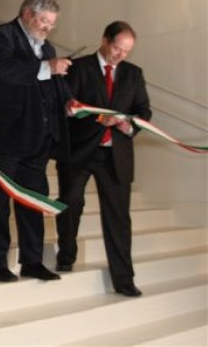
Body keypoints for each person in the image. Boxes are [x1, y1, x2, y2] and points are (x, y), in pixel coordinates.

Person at [0, 0, 72, 283]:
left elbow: (51, 85)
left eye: (52, 23)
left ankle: (32, 261)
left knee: (33, 201)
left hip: (35, 139)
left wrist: (68, 101)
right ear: (27, 13)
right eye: (44, 21)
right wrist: (48, 68)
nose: (48, 28)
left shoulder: (47, 47)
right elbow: (5, 71)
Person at [56, 21, 151, 297]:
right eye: (117, 48)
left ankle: (124, 279)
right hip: (80, 150)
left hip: (116, 155)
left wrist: (128, 126)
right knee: (70, 203)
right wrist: (92, 116)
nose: (121, 55)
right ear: (105, 41)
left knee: (118, 217)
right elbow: (65, 107)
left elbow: (143, 110)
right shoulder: (78, 68)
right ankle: (66, 255)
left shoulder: (134, 74)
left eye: (127, 51)